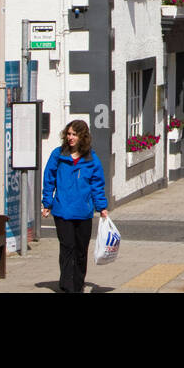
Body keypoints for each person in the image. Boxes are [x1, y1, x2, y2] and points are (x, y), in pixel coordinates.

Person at [41, 119, 109, 293]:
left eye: (74, 134)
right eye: (69, 134)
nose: (70, 138)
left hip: (83, 212)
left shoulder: (92, 159)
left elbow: (97, 185)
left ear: (82, 137)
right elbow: (49, 180)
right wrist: (47, 203)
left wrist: (101, 207)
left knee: (81, 250)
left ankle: (78, 284)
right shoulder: (58, 155)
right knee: (67, 247)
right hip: (62, 210)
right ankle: (66, 285)